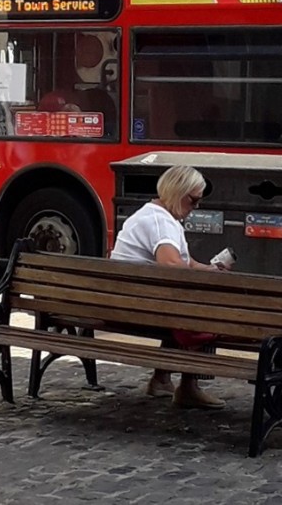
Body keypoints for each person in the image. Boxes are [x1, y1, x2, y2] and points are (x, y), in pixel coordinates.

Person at [110, 165, 226, 410]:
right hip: (140, 307)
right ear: (178, 192)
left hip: (126, 300)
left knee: (184, 308)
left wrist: (209, 270)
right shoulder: (161, 222)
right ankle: (190, 386)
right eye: (193, 200)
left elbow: (186, 262)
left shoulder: (152, 215)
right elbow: (171, 265)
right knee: (209, 313)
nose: (196, 207)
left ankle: (162, 379)